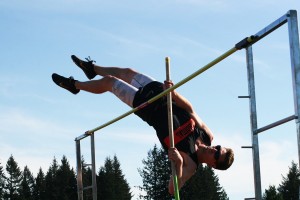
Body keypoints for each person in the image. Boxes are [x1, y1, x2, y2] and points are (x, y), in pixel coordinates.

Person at [52, 55, 234, 195]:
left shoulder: (191, 165)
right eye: (219, 148)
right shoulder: (207, 135)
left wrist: (177, 164)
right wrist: (175, 95)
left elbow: (172, 189)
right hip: (164, 94)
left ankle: (74, 85)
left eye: (217, 154)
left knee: (110, 82)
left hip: (148, 108)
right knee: (128, 72)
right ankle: (92, 68)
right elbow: (190, 109)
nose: (215, 149)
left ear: (213, 165)